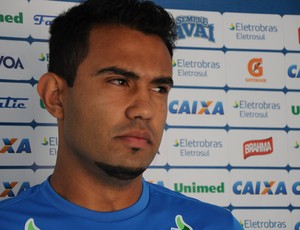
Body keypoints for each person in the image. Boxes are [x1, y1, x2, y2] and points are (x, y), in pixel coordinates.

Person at [0, 0, 242, 229]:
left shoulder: (214, 224)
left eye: (159, 89)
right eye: (119, 81)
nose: (145, 110)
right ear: (55, 96)